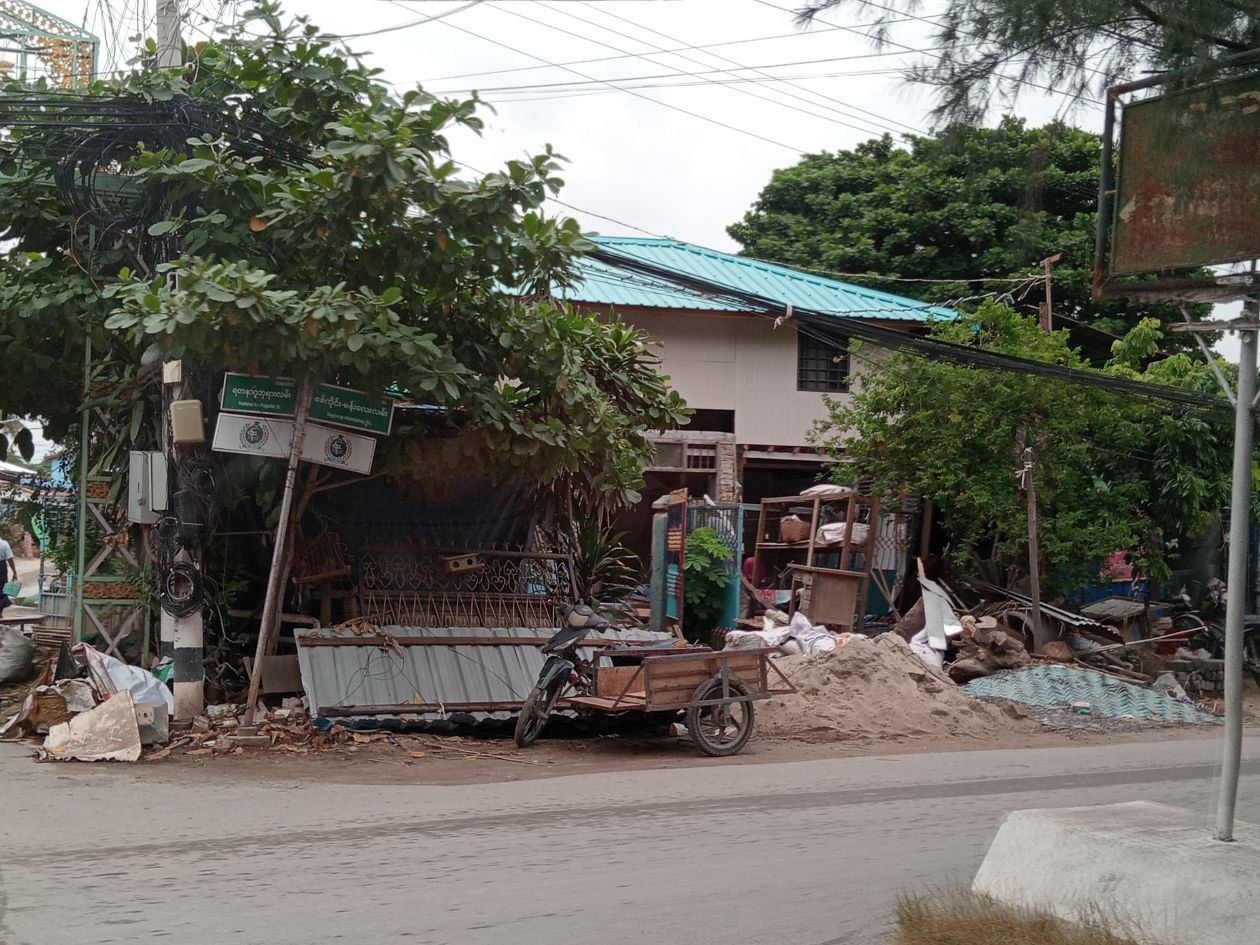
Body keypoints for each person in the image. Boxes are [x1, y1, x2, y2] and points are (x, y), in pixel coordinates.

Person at [0, 535, 16, 617]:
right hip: (1, 568)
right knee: (2, 590)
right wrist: (14, 572)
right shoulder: (4, 544)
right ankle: (0, 613)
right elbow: (10, 559)